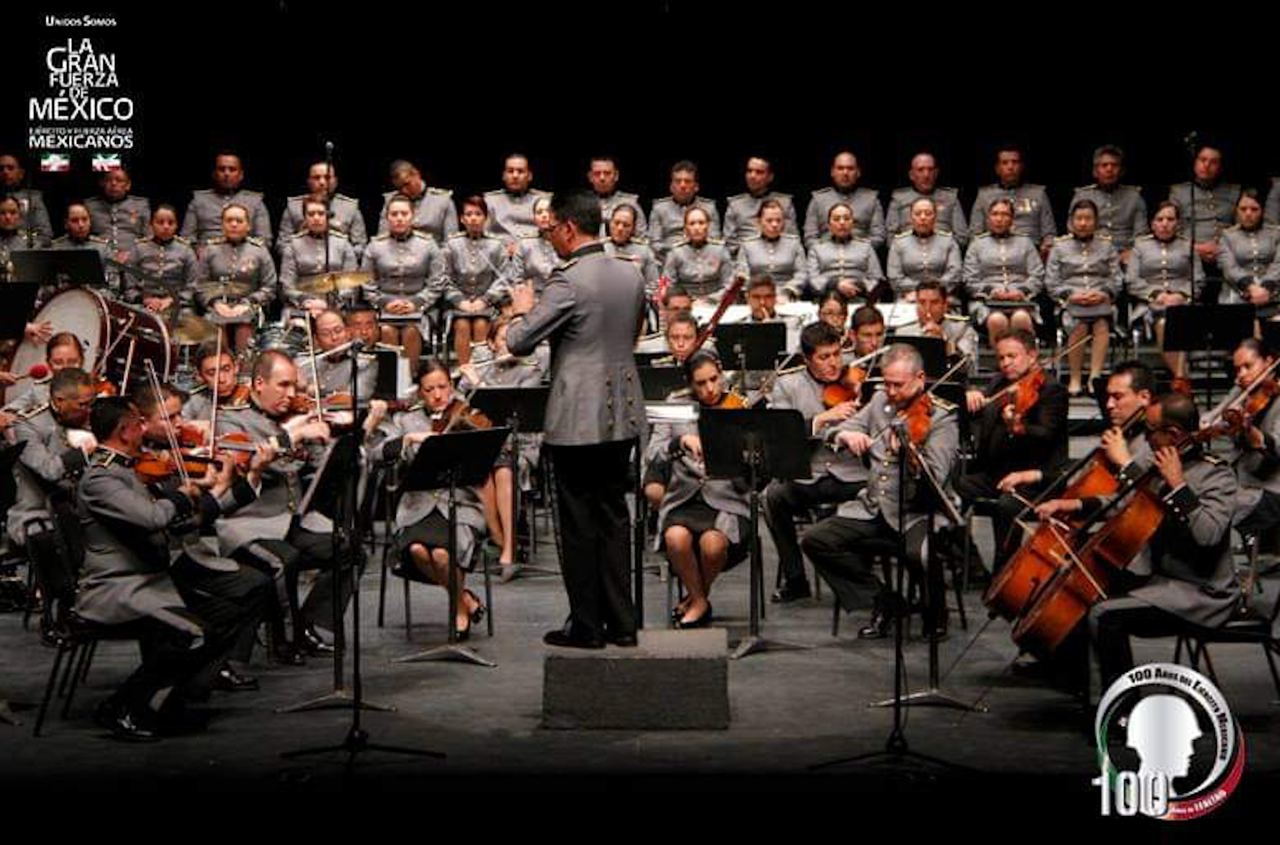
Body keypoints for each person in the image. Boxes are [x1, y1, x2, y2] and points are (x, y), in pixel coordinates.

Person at [505, 192, 646, 649]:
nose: (550, 239)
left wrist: (522, 305)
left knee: (578, 523)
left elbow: (519, 342)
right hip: (622, 412)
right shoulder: (631, 273)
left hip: (578, 418)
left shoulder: (565, 282)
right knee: (613, 516)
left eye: (552, 231)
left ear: (568, 227)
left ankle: (587, 626)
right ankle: (623, 623)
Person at [74, 396, 261, 740]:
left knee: (226, 613)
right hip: (119, 589)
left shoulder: (126, 469)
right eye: (138, 423)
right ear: (125, 430)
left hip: (153, 582)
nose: (144, 429)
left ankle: (170, 700)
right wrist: (182, 494)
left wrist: (216, 493)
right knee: (193, 633)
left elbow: (171, 527)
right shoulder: (100, 478)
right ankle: (123, 707)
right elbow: (151, 518)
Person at [1037, 393, 1237, 686]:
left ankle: (1122, 712)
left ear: (1173, 434)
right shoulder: (1161, 462)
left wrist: (1178, 484)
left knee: (1106, 616)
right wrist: (1072, 505)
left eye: (1149, 430)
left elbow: (1207, 535)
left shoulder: (1217, 475)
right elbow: (1129, 502)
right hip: (1162, 579)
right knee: (1078, 589)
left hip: (1200, 594)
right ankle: (1079, 687)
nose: (1145, 438)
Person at [801, 343, 960, 638]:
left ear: (920, 378)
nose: (891, 391)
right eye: (886, 383)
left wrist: (911, 454)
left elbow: (936, 475)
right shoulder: (879, 402)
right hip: (874, 507)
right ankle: (884, 600)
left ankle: (936, 611)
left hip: (917, 510)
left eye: (898, 385)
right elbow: (835, 430)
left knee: (920, 554)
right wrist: (845, 433)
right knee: (816, 540)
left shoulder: (942, 417)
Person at [372, 360, 491, 635]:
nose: (438, 395)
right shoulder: (406, 419)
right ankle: (463, 598)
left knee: (441, 555)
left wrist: (477, 388)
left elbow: (491, 446)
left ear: (451, 385)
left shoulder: (466, 412)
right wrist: (408, 440)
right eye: (429, 390)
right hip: (418, 505)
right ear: (419, 392)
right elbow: (377, 453)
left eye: (443, 387)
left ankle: (458, 610)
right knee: (416, 550)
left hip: (460, 503)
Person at [764, 322, 869, 602]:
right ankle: (795, 578)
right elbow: (782, 437)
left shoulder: (857, 380)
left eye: (837, 354)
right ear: (807, 358)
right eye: (824, 357)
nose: (834, 363)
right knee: (772, 497)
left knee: (876, 496)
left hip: (851, 473)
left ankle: (859, 580)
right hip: (809, 475)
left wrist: (864, 396)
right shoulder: (788, 385)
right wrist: (820, 420)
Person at [651, 351, 750, 627]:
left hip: (726, 499)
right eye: (701, 383)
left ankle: (696, 599)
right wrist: (679, 442)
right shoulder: (675, 405)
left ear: (721, 373)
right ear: (689, 384)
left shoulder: (738, 405)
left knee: (713, 545)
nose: (709, 389)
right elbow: (653, 454)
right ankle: (699, 601)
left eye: (714, 380)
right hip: (684, 497)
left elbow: (754, 466)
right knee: (676, 538)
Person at [957, 329, 1068, 572]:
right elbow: (982, 412)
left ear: (1032, 356)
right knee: (952, 484)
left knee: (1007, 506)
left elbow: (1046, 435)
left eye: (1012, 356)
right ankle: (965, 557)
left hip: (1036, 477)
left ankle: (1003, 570)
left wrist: (1017, 426)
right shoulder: (999, 383)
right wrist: (973, 397)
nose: (1005, 363)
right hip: (999, 471)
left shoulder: (1051, 390)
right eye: (1001, 358)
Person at [7, 367, 96, 549]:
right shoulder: (28, 425)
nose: (89, 410)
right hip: (40, 517)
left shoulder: (85, 418)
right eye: (82, 405)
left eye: (91, 403)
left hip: (83, 512)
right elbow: (49, 470)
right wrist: (83, 452)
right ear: (59, 401)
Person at [361, 194, 446, 375]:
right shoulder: (375, 246)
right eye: (394, 214)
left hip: (420, 309)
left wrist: (416, 302)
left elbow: (437, 281)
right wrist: (384, 302)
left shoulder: (428, 244)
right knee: (387, 331)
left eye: (404, 214)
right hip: (385, 309)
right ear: (387, 218)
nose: (399, 218)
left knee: (411, 332)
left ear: (412, 216)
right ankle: (392, 385)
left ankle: (409, 381)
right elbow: (366, 281)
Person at [1046, 199, 1121, 395]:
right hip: (1070, 303)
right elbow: (1051, 282)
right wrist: (1071, 295)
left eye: (1088, 218)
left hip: (1100, 302)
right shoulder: (1060, 247)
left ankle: (1094, 377)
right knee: (1078, 325)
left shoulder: (1107, 246)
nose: (1083, 223)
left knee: (1101, 324)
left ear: (1096, 222)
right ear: (1071, 221)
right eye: (1079, 218)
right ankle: (1075, 377)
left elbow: (1117, 278)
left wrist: (1104, 293)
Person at [1127, 202, 1204, 390]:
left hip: (1183, 304)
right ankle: (1182, 379)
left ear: (1177, 223)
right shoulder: (1140, 246)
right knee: (1164, 322)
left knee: (1178, 319)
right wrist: (1155, 294)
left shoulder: (1187, 245)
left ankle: (1180, 382)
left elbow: (1198, 279)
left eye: (1170, 219)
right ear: (1152, 224)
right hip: (1150, 305)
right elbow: (1131, 280)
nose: (1165, 224)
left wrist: (1181, 295)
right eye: (1160, 219)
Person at [195, 204, 277, 352]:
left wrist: (248, 302)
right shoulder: (210, 250)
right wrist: (216, 303)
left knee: (244, 324)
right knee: (215, 324)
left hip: (249, 306)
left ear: (248, 226)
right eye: (229, 220)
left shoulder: (259, 251)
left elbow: (269, 287)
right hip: (218, 306)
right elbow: (201, 285)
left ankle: (244, 369)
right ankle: (220, 367)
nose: (234, 224)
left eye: (239, 221)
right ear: (222, 225)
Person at [963, 198, 1045, 347]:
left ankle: (1026, 365)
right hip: (987, 303)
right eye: (995, 214)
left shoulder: (1025, 243)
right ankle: (1003, 363)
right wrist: (992, 292)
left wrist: (1021, 291)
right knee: (997, 320)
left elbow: (1037, 275)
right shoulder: (977, 244)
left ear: (1012, 219)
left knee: (1021, 318)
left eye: (1005, 214)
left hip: (1021, 302)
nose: (999, 219)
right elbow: (970, 279)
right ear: (988, 218)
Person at [443, 196, 511, 365]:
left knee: (481, 324)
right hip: (458, 306)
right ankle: (464, 370)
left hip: (488, 305)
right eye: (469, 214)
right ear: (462, 219)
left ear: (485, 218)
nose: (473, 218)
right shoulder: (453, 245)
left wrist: (486, 300)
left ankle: (482, 369)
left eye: (478, 214)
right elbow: (444, 277)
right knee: (462, 325)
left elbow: (504, 277)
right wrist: (459, 301)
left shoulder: (496, 245)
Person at [967, 146, 1056, 258]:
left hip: (1032, 254)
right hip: (993, 254)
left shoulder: (1038, 194)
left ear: (1021, 167)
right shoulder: (984, 196)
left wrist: (1046, 248)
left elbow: (1049, 233)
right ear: (997, 169)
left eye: (1015, 162)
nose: (1010, 167)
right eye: (1005, 163)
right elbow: (975, 234)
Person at [1168, 142, 1241, 276]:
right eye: (1202, 160)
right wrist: (1194, 248)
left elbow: (1241, 227)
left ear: (1220, 167)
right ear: (1195, 163)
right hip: (1189, 254)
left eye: (1213, 162)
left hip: (1228, 255)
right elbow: (1172, 228)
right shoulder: (1178, 192)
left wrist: (1223, 248)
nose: (1206, 166)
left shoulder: (1234, 191)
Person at [279, 196, 359, 318]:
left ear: (328, 216)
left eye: (321, 213)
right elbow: (287, 284)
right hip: (302, 306)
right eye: (311, 214)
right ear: (305, 218)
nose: (316, 218)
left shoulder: (342, 243)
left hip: (336, 305)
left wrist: (331, 303)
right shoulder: (294, 245)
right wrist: (306, 301)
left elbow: (351, 282)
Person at [1071, 145, 1148, 264]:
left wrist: (1133, 251)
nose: (1109, 169)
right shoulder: (1082, 196)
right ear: (1095, 171)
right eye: (1104, 165)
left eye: (1114, 165)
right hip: (1091, 252)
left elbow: (1141, 233)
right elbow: (1073, 228)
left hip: (1126, 254)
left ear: (1121, 171)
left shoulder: (1134, 197)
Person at [278, 161, 368, 258]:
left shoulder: (350, 207)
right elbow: (282, 245)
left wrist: (339, 257)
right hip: (304, 265)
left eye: (327, 177)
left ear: (336, 181)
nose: (322, 182)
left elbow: (360, 246)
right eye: (316, 178)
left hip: (341, 268)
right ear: (309, 181)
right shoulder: (294, 206)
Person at [180, 152, 272, 247]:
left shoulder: (255, 202)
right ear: (214, 174)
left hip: (245, 258)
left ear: (241, 175)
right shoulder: (199, 201)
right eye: (221, 169)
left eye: (232, 169)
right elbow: (186, 239)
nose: (226, 173)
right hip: (206, 257)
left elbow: (264, 240)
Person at [125, 205, 198, 316]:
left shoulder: (186, 250)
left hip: (177, 304)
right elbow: (129, 285)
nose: (166, 226)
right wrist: (146, 300)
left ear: (177, 225)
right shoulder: (139, 249)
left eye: (171, 223)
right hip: (144, 304)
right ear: (151, 225)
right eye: (160, 222)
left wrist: (171, 300)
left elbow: (192, 285)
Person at [803, 150, 885, 249]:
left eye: (850, 168)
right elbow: (809, 237)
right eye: (840, 168)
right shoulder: (818, 200)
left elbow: (878, 237)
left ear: (858, 172)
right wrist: (826, 253)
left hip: (860, 258)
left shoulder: (871, 200)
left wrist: (857, 251)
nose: (845, 173)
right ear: (832, 172)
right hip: (825, 259)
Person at [894, 279, 978, 374]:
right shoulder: (903, 332)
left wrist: (946, 343)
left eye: (934, 303)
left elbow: (970, 369)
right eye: (922, 302)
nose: (927, 308)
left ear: (945, 305)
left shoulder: (962, 330)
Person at [885, 151, 967, 247]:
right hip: (908, 254)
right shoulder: (899, 199)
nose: (926, 175)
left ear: (936, 173)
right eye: (920, 170)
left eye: (930, 169)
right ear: (911, 175)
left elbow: (962, 237)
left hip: (943, 254)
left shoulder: (950, 198)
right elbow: (890, 238)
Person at [886, 197, 961, 299]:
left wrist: (935, 291)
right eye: (917, 214)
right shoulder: (899, 243)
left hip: (943, 297)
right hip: (907, 297)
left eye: (928, 213)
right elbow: (894, 278)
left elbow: (954, 274)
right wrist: (918, 291)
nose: (923, 217)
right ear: (911, 217)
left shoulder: (948, 241)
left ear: (935, 217)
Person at [1219, 188, 1280, 314]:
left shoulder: (1275, 234)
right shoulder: (1227, 236)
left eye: (1254, 209)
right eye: (1243, 209)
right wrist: (1251, 287)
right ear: (1236, 211)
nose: (1248, 213)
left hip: (1273, 294)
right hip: (1237, 295)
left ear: (1262, 211)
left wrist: (1267, 287)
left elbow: (1278, 264)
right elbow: (1229, 268)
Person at [806, 202, 883, 301]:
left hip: (860, 298)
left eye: (846, 218)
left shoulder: (866, 247)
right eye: (836, 219)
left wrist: (858, 287)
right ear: (829, 225)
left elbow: (877, 278)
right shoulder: (817, 248)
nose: (842, 223)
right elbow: (812, 279)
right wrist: (835, 285)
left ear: (853, 223)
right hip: (826, 299)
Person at [723, 156, 799, 254]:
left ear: (770, 177)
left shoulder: (785, 203)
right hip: (745, 259)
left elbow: (792, 239)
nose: (752, 176)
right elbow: (730, 243)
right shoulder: (735, 205)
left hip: (780, 258)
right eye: (749, 171)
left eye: (759, 172)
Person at [735, 199, 808, 300]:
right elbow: (742, 274)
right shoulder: (747, 245)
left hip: (786, 297)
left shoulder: (794, 243)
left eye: (778, 220)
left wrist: (788, 291)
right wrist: (755, 292)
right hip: (756, 296)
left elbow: (802, 273)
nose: (774, 225)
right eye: (769, 220)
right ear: (759, 222)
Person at [649, 160, 721, 263]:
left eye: (687, 181)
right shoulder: (659, 209)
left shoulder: (709, 208)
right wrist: (678, 255)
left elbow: (715, 242)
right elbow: (654, 244)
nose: (682, 185)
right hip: (667, 261)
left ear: (696, 186)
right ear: (671, 186)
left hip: (702, 262)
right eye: (678, 181)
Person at [377, 159, 456, 246]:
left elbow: (451, 243)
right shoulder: (391, 201)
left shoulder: (442, 200)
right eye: (399, 188)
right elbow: (382, 239)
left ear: (416, 174)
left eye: (407, 184)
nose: (404, 190)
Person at [662, 206, 735, 300]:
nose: (697, 228)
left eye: (701, 223)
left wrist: (710, 300)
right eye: (692, 224)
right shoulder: (676, 252)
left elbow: (729, 284)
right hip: (685, 304)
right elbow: (669, 285)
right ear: (685, 228)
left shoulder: (720, 250)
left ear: (708, 226)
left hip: (716, 303)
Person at [85, 166, 150, 261]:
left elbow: (148, 237)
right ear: (101, 183)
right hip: (99, 259)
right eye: (108, 180)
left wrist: (132, 254)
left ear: (128, 185)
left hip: (133, 260)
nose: (113, 183)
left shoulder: (140, 205)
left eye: (119, 180)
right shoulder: (90, 206)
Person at [485, 153, 549, 242]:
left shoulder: (545, 200)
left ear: (529, 176)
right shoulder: (489, 201)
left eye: (520, 171)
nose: (515, 176)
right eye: (510, 171)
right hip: (500, 252)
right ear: (504, 175)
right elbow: (482, 235)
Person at [604, 204, 660, 295]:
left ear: (633, 228)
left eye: (626, 225)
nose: (620, 228)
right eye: (616, 223)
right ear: (609, 224)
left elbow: (654, 286)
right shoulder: (600, 248)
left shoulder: (644, 251)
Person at [0, 153, 53, 245]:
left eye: (10, 168)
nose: (5, 172)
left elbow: (45, 234)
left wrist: (22, 244)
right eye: (1, 169)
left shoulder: (34, 198)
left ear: (21, 173)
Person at [588, 155, 646, 237]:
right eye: (597, 173)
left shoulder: (631, 203)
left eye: (607, 173)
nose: (602, 178)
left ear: (616, 176)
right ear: (590, 177)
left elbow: (641, 237)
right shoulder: (581, 204)